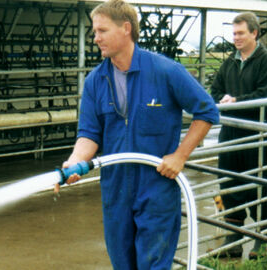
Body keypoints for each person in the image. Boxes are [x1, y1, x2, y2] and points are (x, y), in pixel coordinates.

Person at [54, 1, 219, 269]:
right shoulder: (96, 81)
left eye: (102, 31)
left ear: (126, 28)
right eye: (94, 32)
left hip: (156, 188)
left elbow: (207, 112)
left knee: (153, 264)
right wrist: (75, 161)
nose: (96, 38)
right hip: (116, 190)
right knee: (123, 264)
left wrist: (180, 156)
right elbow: (89, 134)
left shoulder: (165, 71)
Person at [210, 12, 267, 259]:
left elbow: (266, 95)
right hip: (230, 133)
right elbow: (215, 88)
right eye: (234, 33)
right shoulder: (230, 61)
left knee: (258, 183)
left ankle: (261, 238)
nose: (235, 38)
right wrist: (222, 98)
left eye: (240, 33)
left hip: (257, 134)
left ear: (254, 33)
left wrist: (236, 100)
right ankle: (234, 236)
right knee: (228, 182)